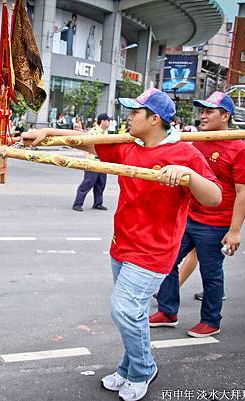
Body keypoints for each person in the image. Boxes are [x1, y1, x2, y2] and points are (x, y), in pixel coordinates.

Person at [24, 88, 221, 401]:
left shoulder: (185, 154)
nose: (128, 118)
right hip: (122, 245)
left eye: (134, 113)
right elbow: (87, 139)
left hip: (155, 252)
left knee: (124, 309)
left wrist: (186, 174)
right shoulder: (129, 146)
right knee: (135, 313)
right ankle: (128, 367)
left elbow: (214, 197)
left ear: (154, 119)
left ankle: (143, 369)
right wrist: (48, 132)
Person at [150, 92, 245, 338]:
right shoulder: (196, 141)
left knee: (211, 274)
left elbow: (243, 192)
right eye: (202, 110)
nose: (203, 115)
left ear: (226, 116)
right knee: (167, 262)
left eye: (209, 111)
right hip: (189, 217)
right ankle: (168, 311)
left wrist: (235, 230)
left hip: (215, 224)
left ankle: (210, 320)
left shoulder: (240, 150)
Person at [72, 113, 110, 212]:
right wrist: (87, 161)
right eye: (108, 120)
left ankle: (98, 203)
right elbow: (87, 146)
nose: (109, 122)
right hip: (93, 161)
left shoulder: (106, 133)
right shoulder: (93, 132)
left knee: (101, 184)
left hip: (102, 162)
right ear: (103, 121)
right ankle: (78, 203)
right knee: (87, 183)